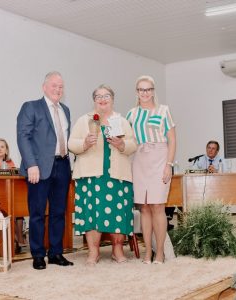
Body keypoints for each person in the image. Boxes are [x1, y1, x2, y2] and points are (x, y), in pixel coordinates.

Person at [68, 84, 137, 265]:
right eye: (98, 96)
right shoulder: (84, 120)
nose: (102, 99)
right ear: (94, 100)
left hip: (117, 174)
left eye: (106, 95)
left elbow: (132, 145)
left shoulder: (121, 121)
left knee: (118, 213)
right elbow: (71, 144)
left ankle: (117, 250)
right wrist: (84, 143)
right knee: (92, 213)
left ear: (112, 99)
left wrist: (121, 145)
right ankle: (93, 252)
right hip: (91, 175)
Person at [17, 71, 73, 270]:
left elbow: (66, 140)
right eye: (54, 85)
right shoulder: (31, 107)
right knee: (38, 213)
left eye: (61, 86)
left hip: (63, 165)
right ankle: (38, 255)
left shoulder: (65, 110)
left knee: (59, 212)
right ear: (44, 87)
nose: (58, 89)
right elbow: (23, 137)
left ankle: (56, 253)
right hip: (39, 168)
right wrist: (31, 164)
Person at [126, 75, 176, 264]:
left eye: (148, 89)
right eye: (141, 89)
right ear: (137, 92)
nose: (145, 93)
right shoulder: (131, 114)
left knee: (157, 206)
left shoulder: (164, 111)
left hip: (160, 158)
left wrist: (168, 165)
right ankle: (148, 252)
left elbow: (172, 140)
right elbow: (126, 140)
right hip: (139, 160)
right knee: (144, 208)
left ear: (153, 91)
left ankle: (161, 252)